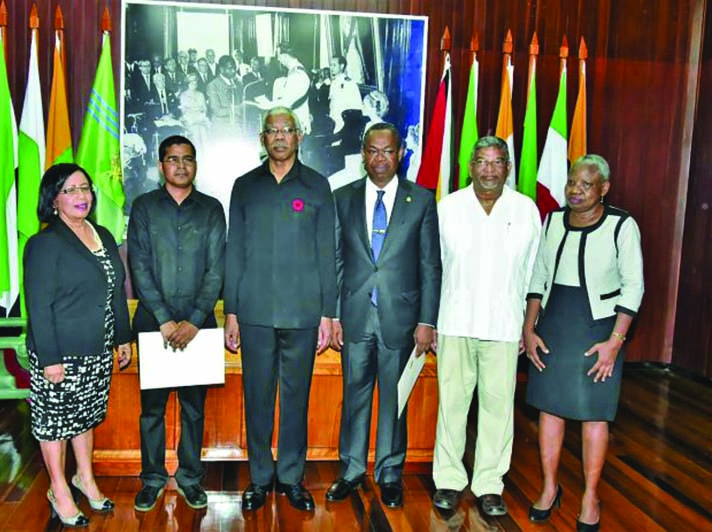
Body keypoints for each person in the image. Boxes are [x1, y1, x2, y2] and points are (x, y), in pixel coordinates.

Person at [224, 106, 336, 513]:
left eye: (287, 129)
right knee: (256, 398)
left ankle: (290, 477)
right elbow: (234, 250)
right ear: (262, 138)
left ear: (299, 136)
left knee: (295, 399)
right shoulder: (244, 186)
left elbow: (327, 252)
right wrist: (231, 312)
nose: (280, 136)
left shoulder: (317, 186)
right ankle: (259, 478)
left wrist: (328, 313)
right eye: (272, 130)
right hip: (253, 312)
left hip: (304, 313)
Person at [524, 155, 644, 531]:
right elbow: (539, 275)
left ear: (604, 189)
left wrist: (615, 342)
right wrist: (528, 330)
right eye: (572, 183)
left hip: (600, 329)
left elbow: (634, 285)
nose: (575, 190)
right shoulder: (553, 220)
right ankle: (548, 488)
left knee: (594, 412)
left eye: (585, 185)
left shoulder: (622, 225)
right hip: (555, 324)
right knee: (550, 408)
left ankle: (590, 496)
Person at [326, 122, 441, 508]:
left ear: (400, 154)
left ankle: (390, 471)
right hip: (356, 316)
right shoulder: (342, 197)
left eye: (387, 151)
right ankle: (352, 469)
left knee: (395, 398)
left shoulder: (422, 200)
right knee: (354, 395)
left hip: (402, 319)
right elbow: (337, 260)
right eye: (372, 151)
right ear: (362, 154)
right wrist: (335, 314)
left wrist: (427, 320)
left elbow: (430, 265)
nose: (380, 158)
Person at [432, 136, 541, 516]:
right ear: (470, 166)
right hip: (455, 321)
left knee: (498, 409)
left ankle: (489, 484)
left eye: (497, 162)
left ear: (508, 167)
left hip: (504, 326)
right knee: (452, 406)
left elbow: (533, 275)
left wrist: (529, 325)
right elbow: (435, 269)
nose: (489, 169)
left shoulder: (526, 210)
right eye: (481, 161)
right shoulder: (448, 208)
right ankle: (448, 480)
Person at [24, 163, 133, 527]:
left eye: (84, 188)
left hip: (98, 349)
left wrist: (122, 337)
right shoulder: (43, 244)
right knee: (55, 424)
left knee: (85, 417)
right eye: (69, 190)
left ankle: (84, 477)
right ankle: (59, 488)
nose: (80, 196)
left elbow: (116, 289)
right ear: (53, 199)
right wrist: (49, 360)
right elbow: (38, 308)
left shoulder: (100, 232)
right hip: (59, 353)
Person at [128, 135, 226, 512]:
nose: (181, 165)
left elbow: (218, 270)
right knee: (151, 409)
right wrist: (167, 321)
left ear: (195, 164)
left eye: (187, 159)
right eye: (173, 159)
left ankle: (190, 478)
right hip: (155, 326)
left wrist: (195, 320)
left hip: (199, 328)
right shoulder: (144, 208)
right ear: (160, 165)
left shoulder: (212, 209)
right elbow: (138, 266)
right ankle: (152, 478)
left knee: (193, 408)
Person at [206, 55, 243, 134]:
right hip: (222, 128)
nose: (233, 71)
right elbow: (217, 111)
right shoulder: (213, 85)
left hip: (237, 126)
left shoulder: (238, 83)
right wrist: (237, 109)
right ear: (221, 69)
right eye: (230, 68)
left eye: (234, 68)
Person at [328, 55, 362, 134]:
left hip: (343, 121)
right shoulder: (334, 82)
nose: (331, 68)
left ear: (342, 66)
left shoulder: (349, 83)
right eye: (330, 65)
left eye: (334, 65)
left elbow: (356, 106)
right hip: (333, 119)